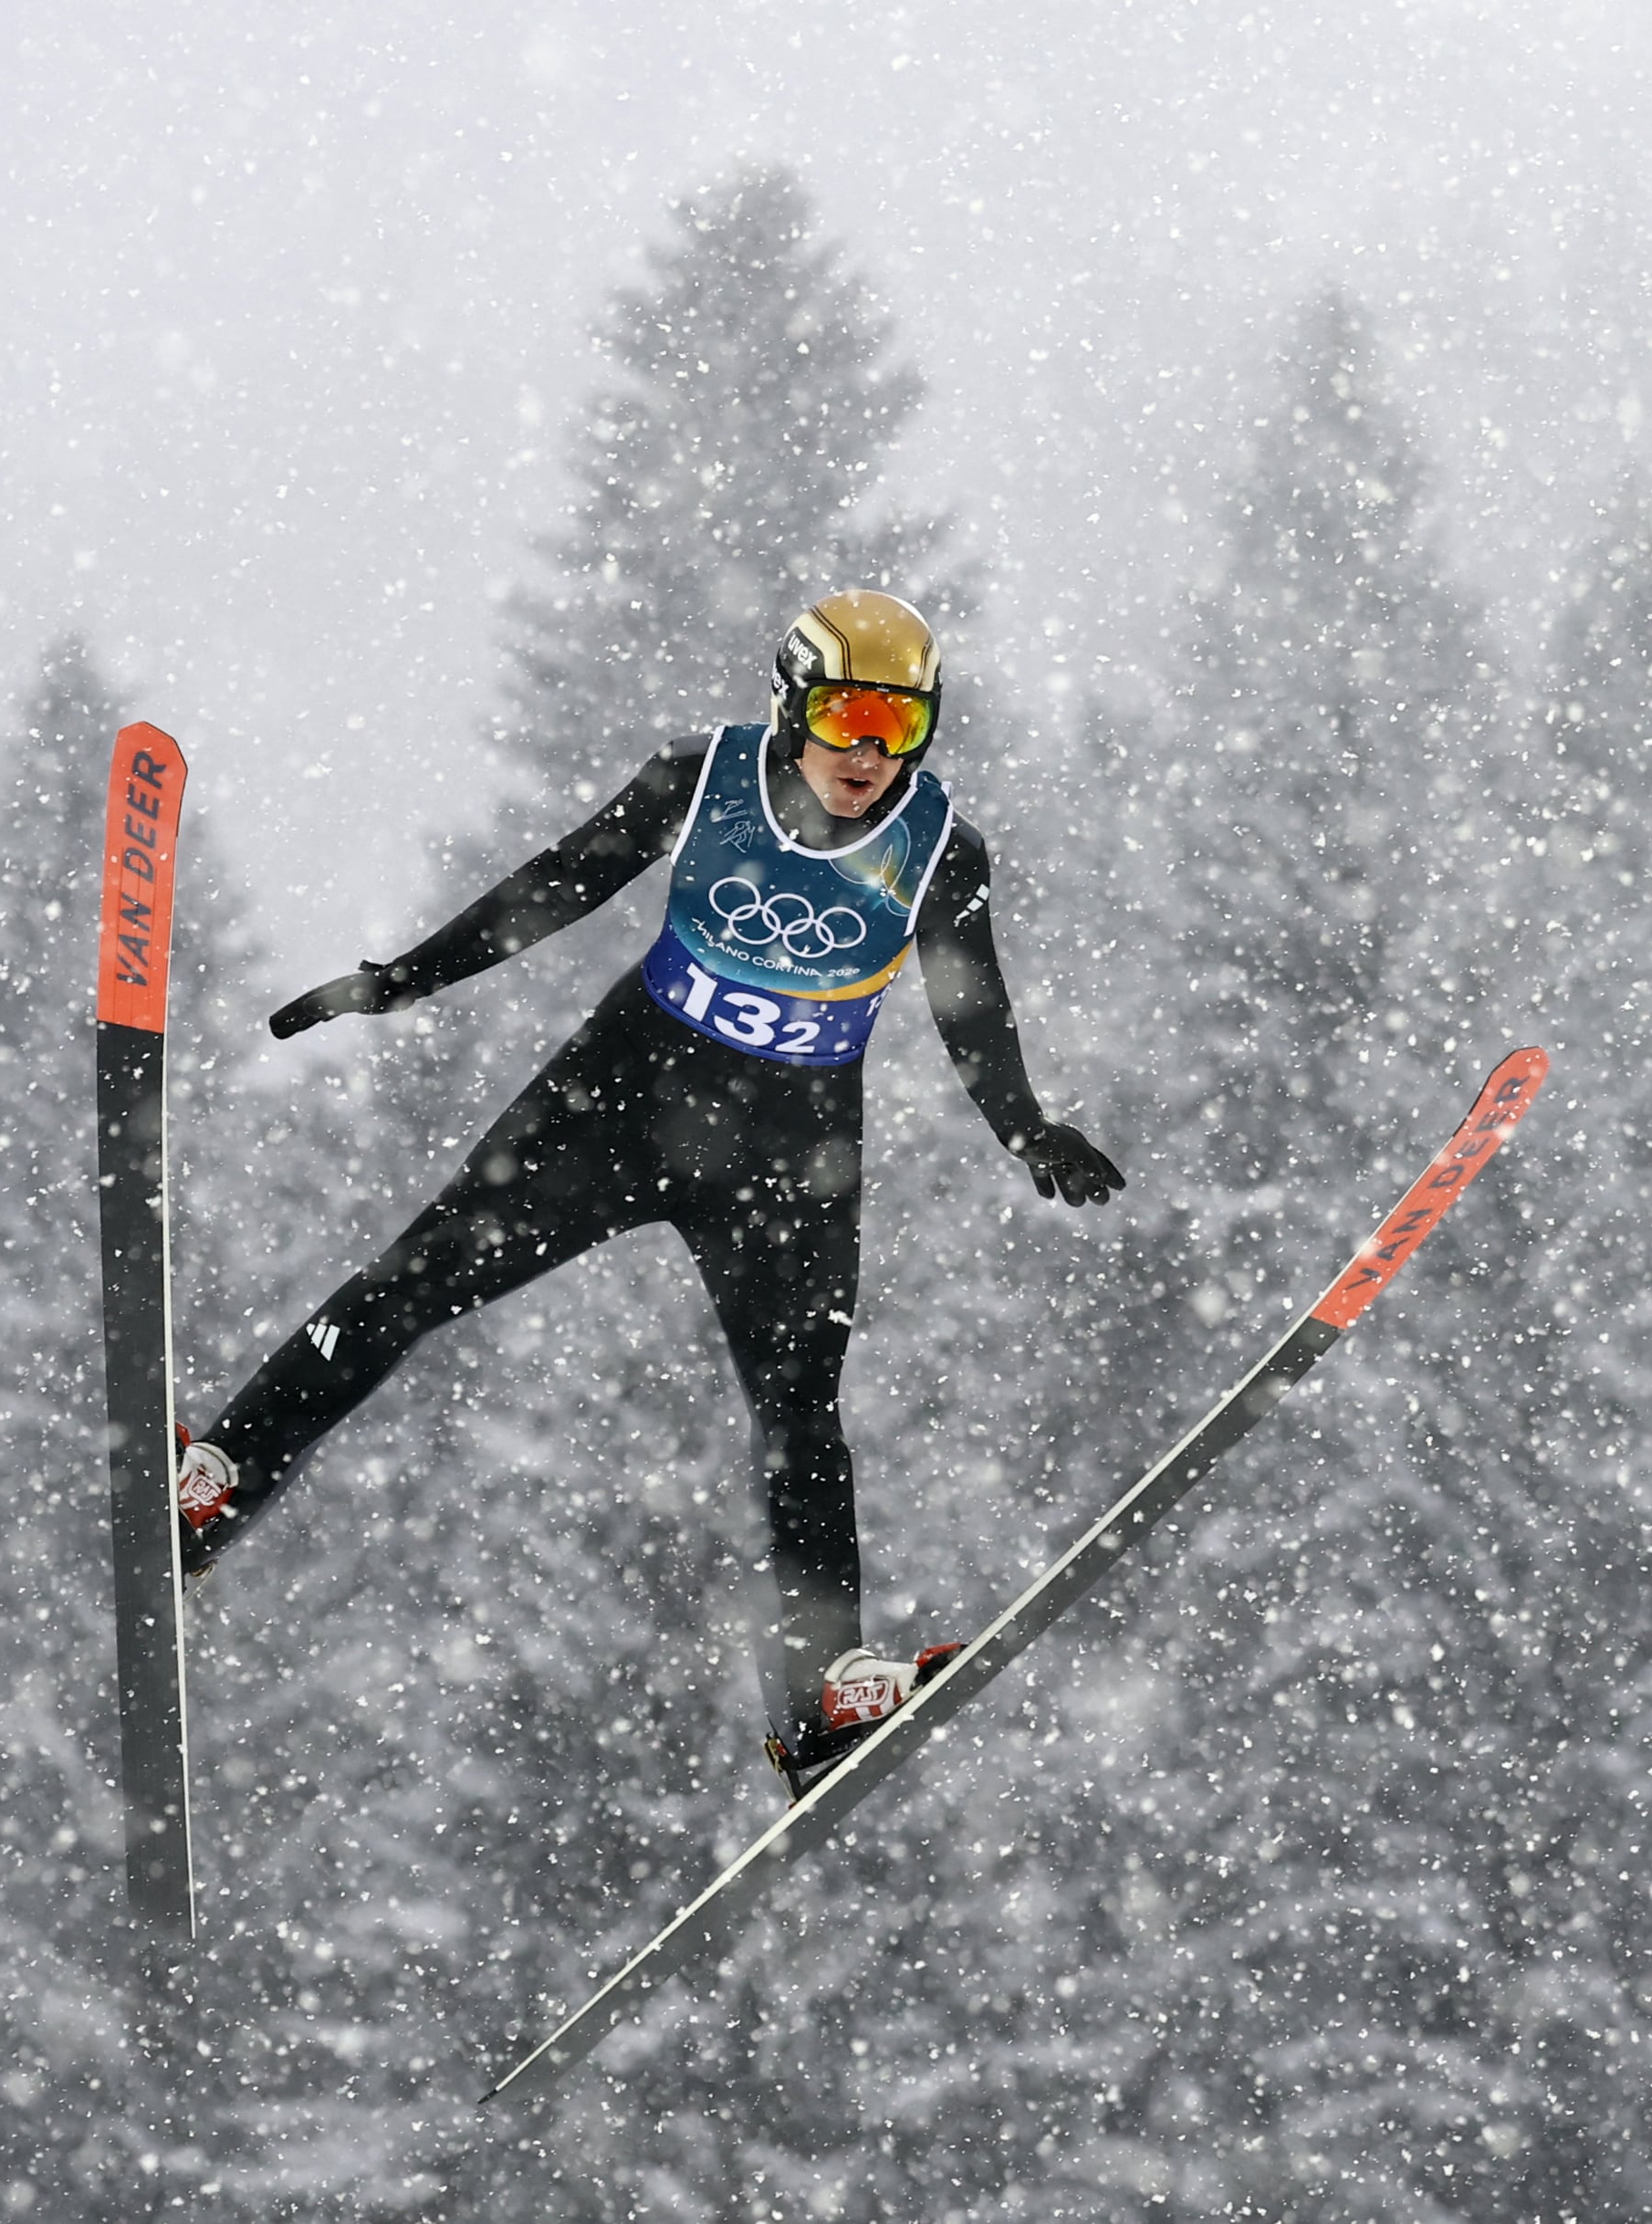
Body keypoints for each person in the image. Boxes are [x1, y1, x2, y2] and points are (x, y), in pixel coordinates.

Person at [170, 590, 1122, 1797]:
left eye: (901, 724)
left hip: (792, 1157)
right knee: (417, 1281)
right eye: (846, 715)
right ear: (793, 705)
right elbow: (558, 883)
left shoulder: (941, 848)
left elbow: (970, 1008)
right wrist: (402, 980)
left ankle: (821, 1697)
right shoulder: (703, 778)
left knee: (801, 1418)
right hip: (619, 1105)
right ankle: (218, 1482)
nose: (869, 752)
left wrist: (1026, 1129)